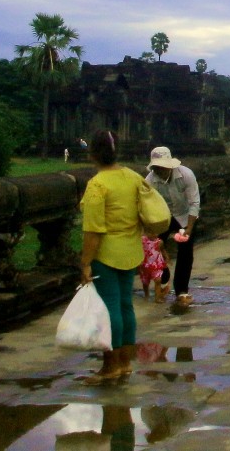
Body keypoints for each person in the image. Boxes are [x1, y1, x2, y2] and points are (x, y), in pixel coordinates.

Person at [78, 130, 144, 384]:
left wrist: (85, 262)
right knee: (125, 306)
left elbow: (93, 230)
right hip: (130, 250)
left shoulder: (98, 184)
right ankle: (125, 362)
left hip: (105, 255)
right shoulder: (133, 177)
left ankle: (110, 366)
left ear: (92, 153)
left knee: (110, 309)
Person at [146, 146, 201, 308]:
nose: (160, 171)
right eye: (156, 168)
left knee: (185, 251)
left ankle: (181, 291)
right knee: (153, 248)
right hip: (162, 216)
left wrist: (189, 227)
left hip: (184, 215)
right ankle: (163, 276)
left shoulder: (186, 175)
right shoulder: (150, 181)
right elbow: (147, 206)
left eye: (162, 168)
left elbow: (194, 202)